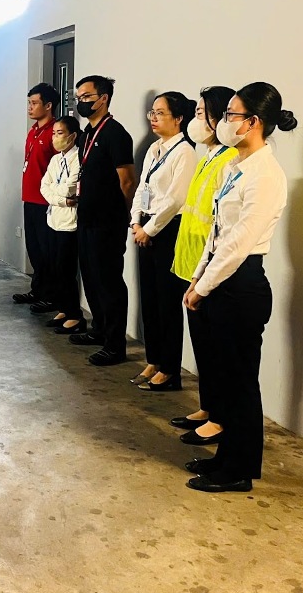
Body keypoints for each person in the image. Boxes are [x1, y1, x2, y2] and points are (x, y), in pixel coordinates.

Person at [183, 82, 297, 493]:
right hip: (220, 278)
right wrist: (198, 276)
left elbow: (239, 242)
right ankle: (225, 457)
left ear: (253, 122)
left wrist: (204, 286)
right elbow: (217, 232)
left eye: (231, 115)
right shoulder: (236, 166)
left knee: (240, 382)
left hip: (242, 283)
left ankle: (239, 469)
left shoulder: (266, 175)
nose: (223, 121)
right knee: (224, 379)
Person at [168, 87, 238, 445]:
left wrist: (203, 275)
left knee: (216, 349)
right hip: (193, 263)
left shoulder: (229, 159)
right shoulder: (208, 155)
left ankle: (220, 417)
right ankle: (208, 407)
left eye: (201, 113)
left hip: (211, 269)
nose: (197, 120)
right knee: (202, 346)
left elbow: (222, 223)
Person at [66, 76, 136, 366]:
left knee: (108, 282)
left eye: (86, 97)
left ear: (103, 98)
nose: (80, 102)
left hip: (107, 222)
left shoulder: (115, 134)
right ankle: (99, 329)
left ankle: (115, 344)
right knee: (91, 278)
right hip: (86, 217)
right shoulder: (86, 134)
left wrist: (122, 213)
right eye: (78, 97)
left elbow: (127, 181)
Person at [130, 92, 197, 391]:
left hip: (167, 230)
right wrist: (135, 221)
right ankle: (153, 359)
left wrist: (150, 229)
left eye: (160, 113)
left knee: (167, 301)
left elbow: (175, 199)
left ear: (179, 118)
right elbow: (141, 188)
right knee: (149, 298)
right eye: (152, 113)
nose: (154, 118)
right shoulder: (155, 148)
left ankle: (170, 369)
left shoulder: (184, 152)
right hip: (145, 226)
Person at [13, 83, 60, 312]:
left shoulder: (55, 133)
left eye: (34, 103)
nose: (30, 107)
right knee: (33, 248)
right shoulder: (33, 130)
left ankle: (51, 296)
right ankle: (37, 289)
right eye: (29, 103)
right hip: (30, 198)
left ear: (48, 105)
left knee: (47, 250)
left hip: (46, 202)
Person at [39, 115, 84, 334]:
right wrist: (61, 200)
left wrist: (59, 194)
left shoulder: (79, 158)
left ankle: (74, 315)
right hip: (54, 218)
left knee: (66, 270)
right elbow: (44, 186)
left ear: (72, 136)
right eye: (54, 133)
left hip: (69, 223)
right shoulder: (56, 159)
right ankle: (63, 308)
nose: (55, 138)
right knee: (55, 268)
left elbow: (70, 188)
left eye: (60, 133)